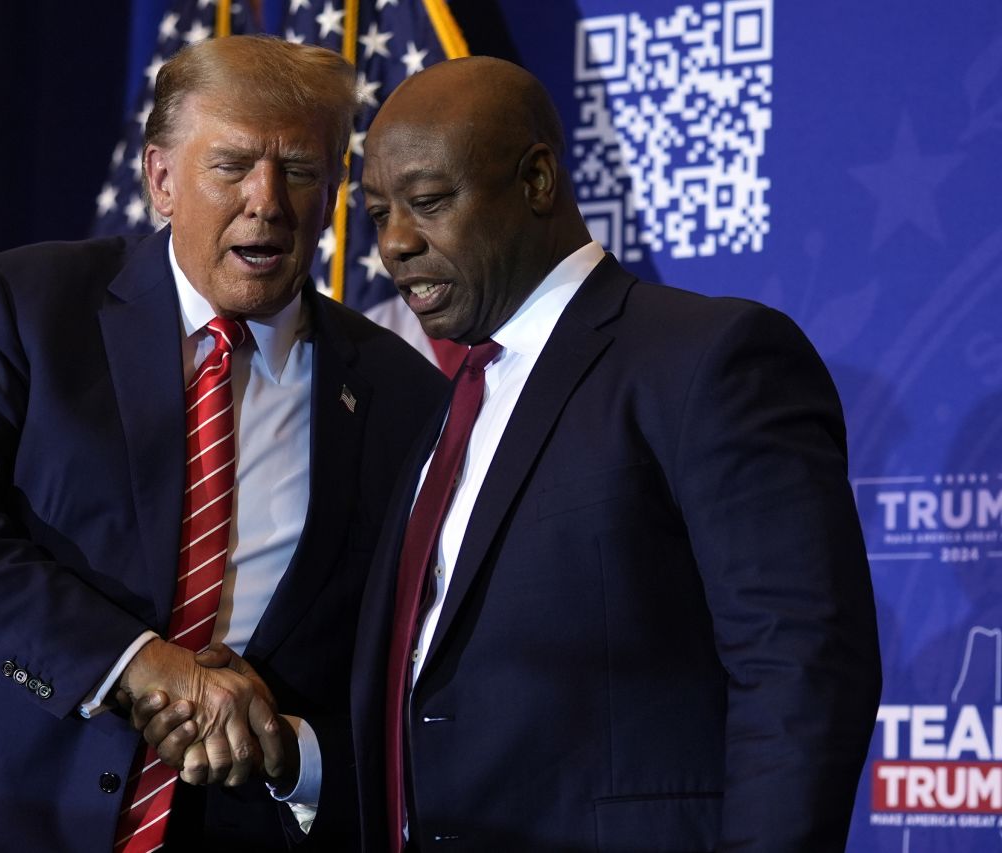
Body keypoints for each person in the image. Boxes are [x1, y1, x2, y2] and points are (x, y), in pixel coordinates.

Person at [0, 35, 446, 852]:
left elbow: (404, 668)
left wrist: (295, 754)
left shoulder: (403, 394)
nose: (268, 201)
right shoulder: (35, 307)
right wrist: (135, 662)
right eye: (232, 165)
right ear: (161, 179)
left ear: (335, 191)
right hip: (1, 813)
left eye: (301, 170)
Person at [349, 56, 883, 851]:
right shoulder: (445, 411)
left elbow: (798, 670)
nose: (394, 242)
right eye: (378, 213)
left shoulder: (706, 359)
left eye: (427, 202)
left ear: (536, 182)